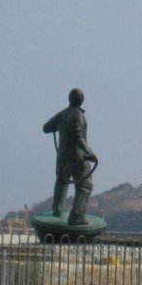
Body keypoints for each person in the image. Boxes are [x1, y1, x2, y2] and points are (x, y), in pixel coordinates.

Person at [43, 88, 98, 225]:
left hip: (62, 157)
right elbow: (77, 136)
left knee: (62, 182)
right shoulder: (77, 115)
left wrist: (58, 125)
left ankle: (57, 210)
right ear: (81, 100)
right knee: (85, 185)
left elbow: (46, 127)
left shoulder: (63, 114)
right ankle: (76, 217)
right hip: (77, 157)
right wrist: (89, 152)